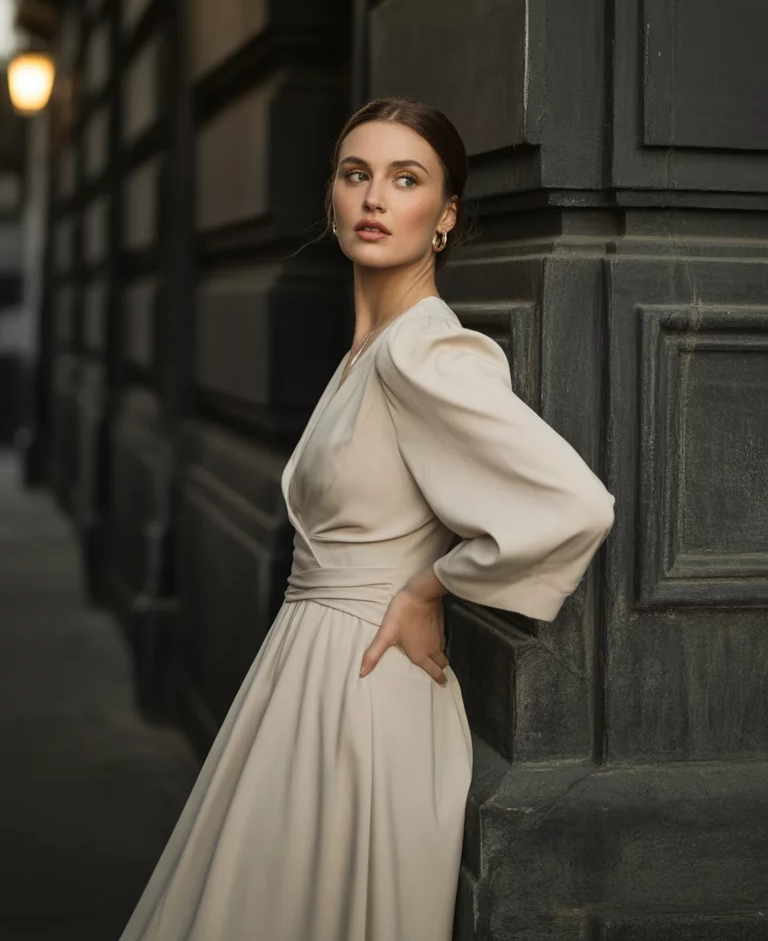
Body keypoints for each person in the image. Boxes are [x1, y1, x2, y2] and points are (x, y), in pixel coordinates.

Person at [119, 95, 615, 941]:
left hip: (368, 690)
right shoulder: (369, 351)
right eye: (357, 175)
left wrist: (433, 586)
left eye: (405, 179)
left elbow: (575, 504)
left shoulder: (425, 351)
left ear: (446, 216)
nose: (375, 198)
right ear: (332, 200)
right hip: (307, 675)